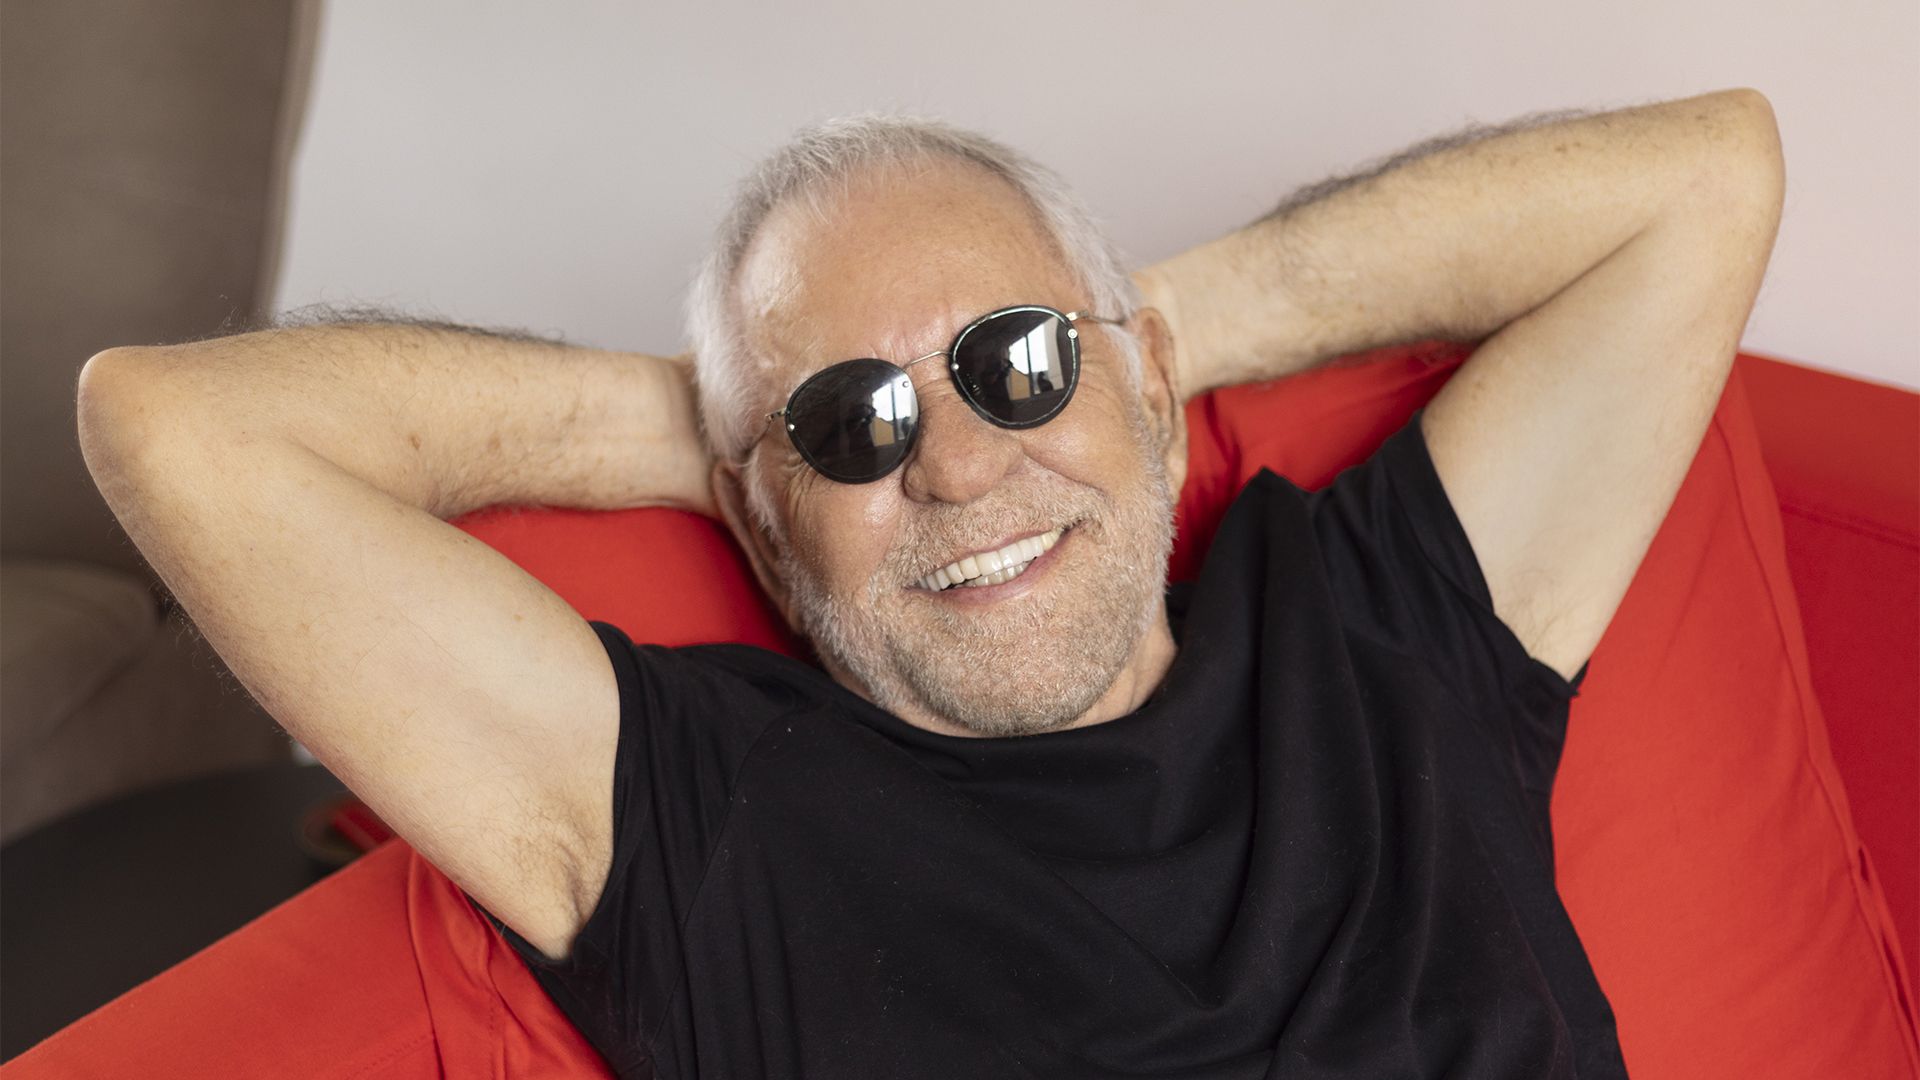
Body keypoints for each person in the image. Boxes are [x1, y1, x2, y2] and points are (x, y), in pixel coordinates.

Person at [76, 87, 1784, 1078]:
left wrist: (1151, 327)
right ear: (762, 521)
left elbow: (1709, 181)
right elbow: (172, 430)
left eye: (1020, 366)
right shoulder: (708, 816)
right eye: (857, 423)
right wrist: (716, 431)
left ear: (1152, 381)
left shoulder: (1380, 622)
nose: (958, 469)